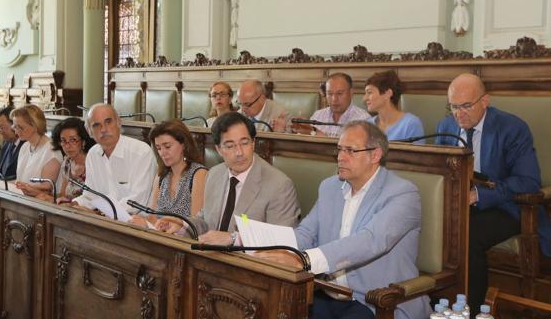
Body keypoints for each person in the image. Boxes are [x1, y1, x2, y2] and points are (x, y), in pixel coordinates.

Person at [254, 121, 431, 319]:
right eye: (339, 149)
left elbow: (370, 240)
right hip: (327, 293)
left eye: (350, 151)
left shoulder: (403, 194)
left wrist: (304, 260)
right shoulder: (330, 187)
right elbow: (306, 234)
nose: (340, 157)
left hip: (376, 301)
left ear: (375, 155)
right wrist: (251, 242)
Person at [435, 73, 551, 315]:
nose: (458, 113)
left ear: (485, 101)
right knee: (432, 227)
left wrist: (478, 196)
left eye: (465, 106)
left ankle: (471, 311)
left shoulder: (512, 128)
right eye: (453, 106)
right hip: (459, 205)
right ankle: (438, 304)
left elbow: (528, 181)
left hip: (508, 207)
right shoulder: (446, 127)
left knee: (466, 233)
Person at [157, 112, 300, 244]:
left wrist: (233, 239)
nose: (239, 152)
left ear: (253, 142)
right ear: (218, 149)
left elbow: (282, 240)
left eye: (244, 143)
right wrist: (182, 226)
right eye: (230, 146)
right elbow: (205, 220)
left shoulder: (279, 185)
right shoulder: (214, 174)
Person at [73, 103, 157, 216]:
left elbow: (136, 202)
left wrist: (102, 213)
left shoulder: (141, 152)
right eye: (96, 125)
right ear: (89, 132)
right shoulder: (93, 154)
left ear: (119, 123)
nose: (103, 129)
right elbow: (90, 195)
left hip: (135, 223)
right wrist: (74, 204)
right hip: (103, 221)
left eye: (108, 122)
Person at [130, 120, 207, 227]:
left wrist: (149, 225)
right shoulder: (161, 176)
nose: (162, 153)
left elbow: (197, 224)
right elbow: (153, 218)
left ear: (183, 144)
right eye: (158, 148)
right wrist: (143, 222)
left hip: (184, 241)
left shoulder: (199, 174)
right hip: (160, 239)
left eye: (167, 146)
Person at [292, 73, 369, 137]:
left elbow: (350, 150)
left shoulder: (363, 119)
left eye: (339, 93)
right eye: (330, 94)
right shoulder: (318, 115)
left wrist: (315, 132)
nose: (334, 99)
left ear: (351, 93)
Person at [12, 104, 63, 200]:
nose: (16, 132)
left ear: (35, 126)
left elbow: (47, 190)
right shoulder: (25, 146)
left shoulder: (51, 151)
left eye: (20, 127)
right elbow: (19, 180)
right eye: (15, 127)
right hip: (22, 199)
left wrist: (24, 187)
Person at [363, 70, 424, 142]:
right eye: (365, 93)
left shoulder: (411, 124)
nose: (365, 98)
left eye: (369, 92)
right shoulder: (367, 125)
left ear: (388, 93)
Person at [51, 117, 96, 202]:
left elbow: (96, 201)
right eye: (63, 141)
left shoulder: (93, 163)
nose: (67, 146)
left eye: (73, 140)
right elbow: (63, 195)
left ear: (83, 142)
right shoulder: (67, 162)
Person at [0, 106, 24, 179]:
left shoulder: (26, 145)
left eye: (2, 127)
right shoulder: (6, 143)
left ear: (14, 124)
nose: (0, 132)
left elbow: (20, 177)